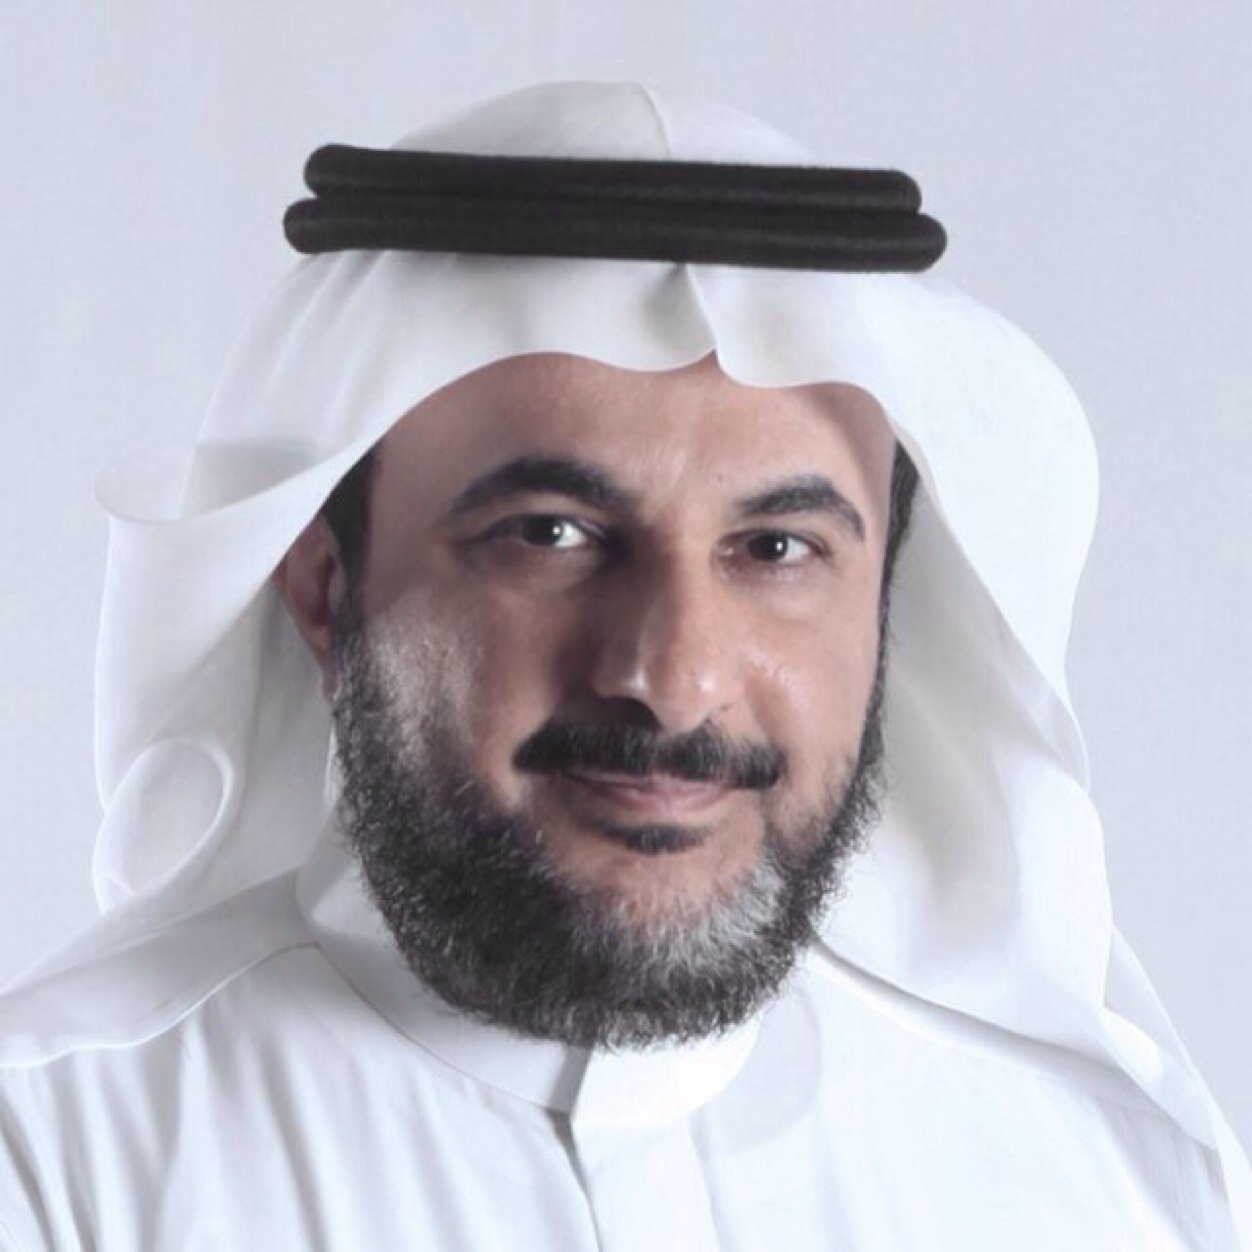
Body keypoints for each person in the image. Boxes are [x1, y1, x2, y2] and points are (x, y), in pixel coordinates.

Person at [0, 80, 1247, 1250]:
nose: (674, 675)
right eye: (551, 534)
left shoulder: (1101, 1190)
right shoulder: (55, 1163)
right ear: (326, 588)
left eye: (775, 547)